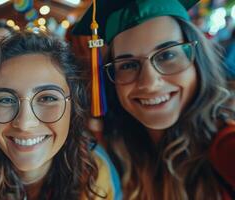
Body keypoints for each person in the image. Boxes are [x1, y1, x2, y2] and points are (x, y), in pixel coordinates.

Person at [74, 0, 235, 199]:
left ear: (198, 61)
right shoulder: (113, 152)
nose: (149, 83)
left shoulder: (226, 146)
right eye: (128, 65)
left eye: (167, 55)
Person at [0, 31, 122, 200]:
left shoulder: (95, 167)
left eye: (47, 98)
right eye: (6, 100)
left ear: (73, 107)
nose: (24, 123)